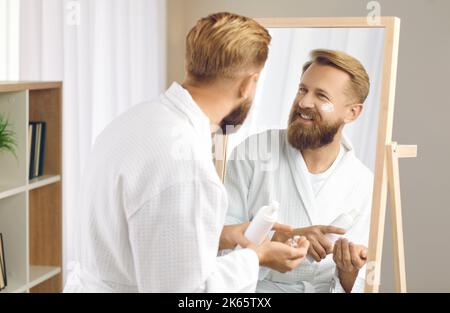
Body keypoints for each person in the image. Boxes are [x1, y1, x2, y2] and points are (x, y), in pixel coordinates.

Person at [64, 12, 309, 293]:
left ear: (189, 63)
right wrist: (257, 257)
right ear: (247, 84)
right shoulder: (188, 167)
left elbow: (143, 233)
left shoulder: (132, 121)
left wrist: (223, 236)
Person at [224, 49, 373, 293]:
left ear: (352, 112)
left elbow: (356, 284)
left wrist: (348, 268)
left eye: (321, 96)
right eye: (302, 90)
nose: (303, 102)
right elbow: (218, 245)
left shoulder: (364, 183)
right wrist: (277, 240)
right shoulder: (255, 151)